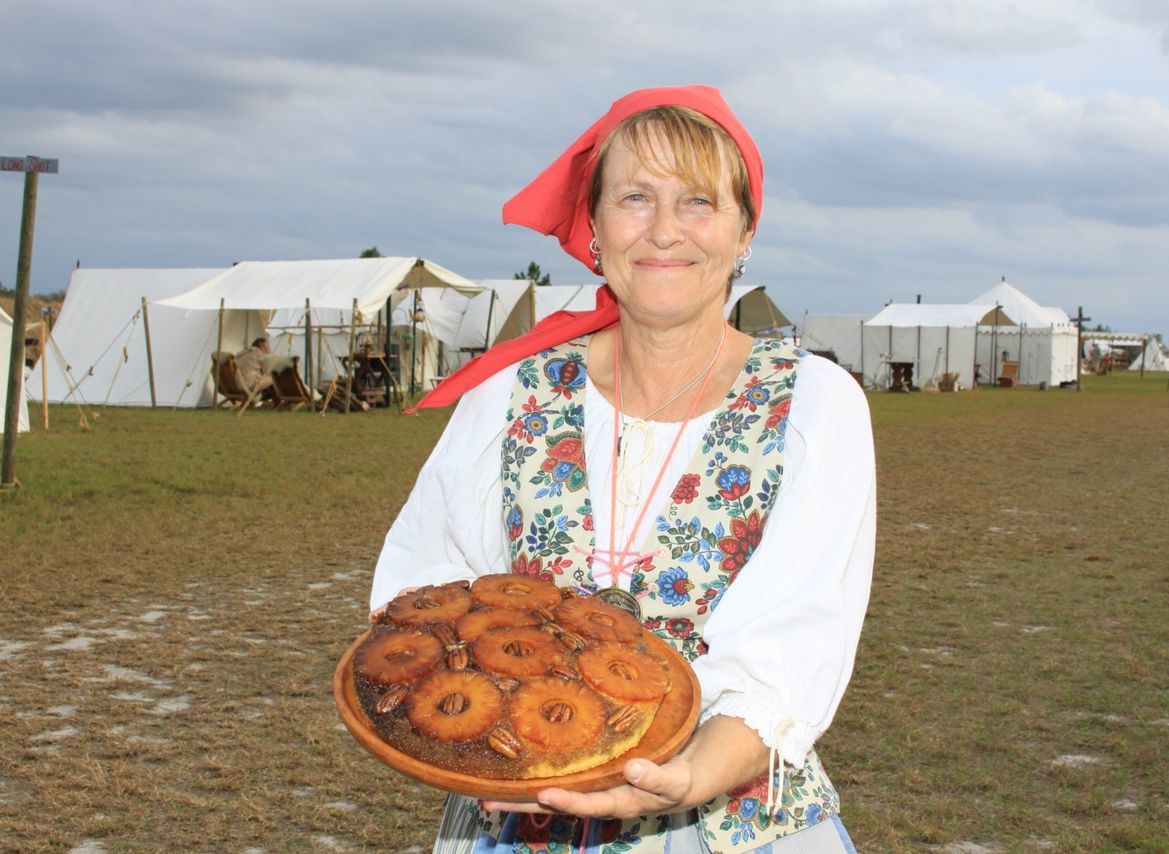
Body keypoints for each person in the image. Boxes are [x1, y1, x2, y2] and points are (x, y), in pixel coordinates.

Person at [371, 86, 875, 853]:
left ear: (745, 232)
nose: (665, 230)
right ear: (595, 228)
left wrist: (696, 770)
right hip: (521, 819)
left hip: (732, 827)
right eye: (635, 198)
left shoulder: (814, 405)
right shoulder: (511, 395)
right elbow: (430, 597)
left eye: (698, 201)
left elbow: (798, 636)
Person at [234, 337, 276, 402]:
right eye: (266, 346)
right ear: (261, 346)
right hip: (248, 384)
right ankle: (261, 397)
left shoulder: (243, 353)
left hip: (237, 383)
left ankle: (267, 400)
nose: (268, 349)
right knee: (275, 378)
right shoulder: (258, 354)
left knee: (266, 378)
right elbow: (269, 370)